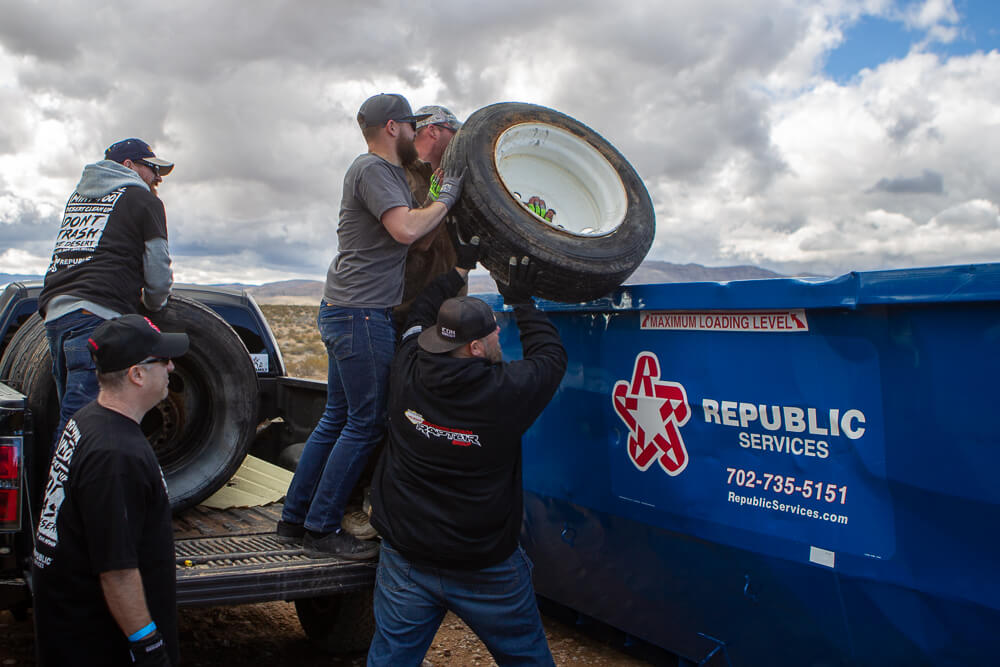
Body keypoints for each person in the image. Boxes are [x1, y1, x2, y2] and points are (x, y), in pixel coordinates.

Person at [278, 93, 466, 559]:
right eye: (409, 126)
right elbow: (406, 230)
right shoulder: (375, 170)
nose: (413, 133)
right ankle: (322, 526)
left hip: (348, 310)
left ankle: (294, 518)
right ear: (392, 127)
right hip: (362, 315)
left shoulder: (374, 171)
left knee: (337, 418)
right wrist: (447, 197)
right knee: (366, 423)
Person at [366, 233, 568, 666]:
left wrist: (460, 267)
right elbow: (550, 356)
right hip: (484, 569)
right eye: (494, 332)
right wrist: (523, 301)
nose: (499, 334)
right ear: (476, 348)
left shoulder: (407, 366)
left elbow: (420, 312)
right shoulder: (505, 393)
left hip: (406, 558)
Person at [31, 314, 188, 666]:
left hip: (72, 633)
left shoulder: (87, 420)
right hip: (98, 644)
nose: (172, 367)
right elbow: (116, 570)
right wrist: (147, 644)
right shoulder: (116, 456)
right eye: (163, 360)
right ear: (137, 374)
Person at [38, 138, 175, 449]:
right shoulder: (144, 201)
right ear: (128, 166)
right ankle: (64, 496)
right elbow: (158, 269)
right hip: (97, 316)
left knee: (73, 420)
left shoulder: (79, 200)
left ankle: (66, 492)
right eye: (152, 168)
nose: (158, 178)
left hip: (56, 317)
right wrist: (155, 304)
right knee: (84, 428)